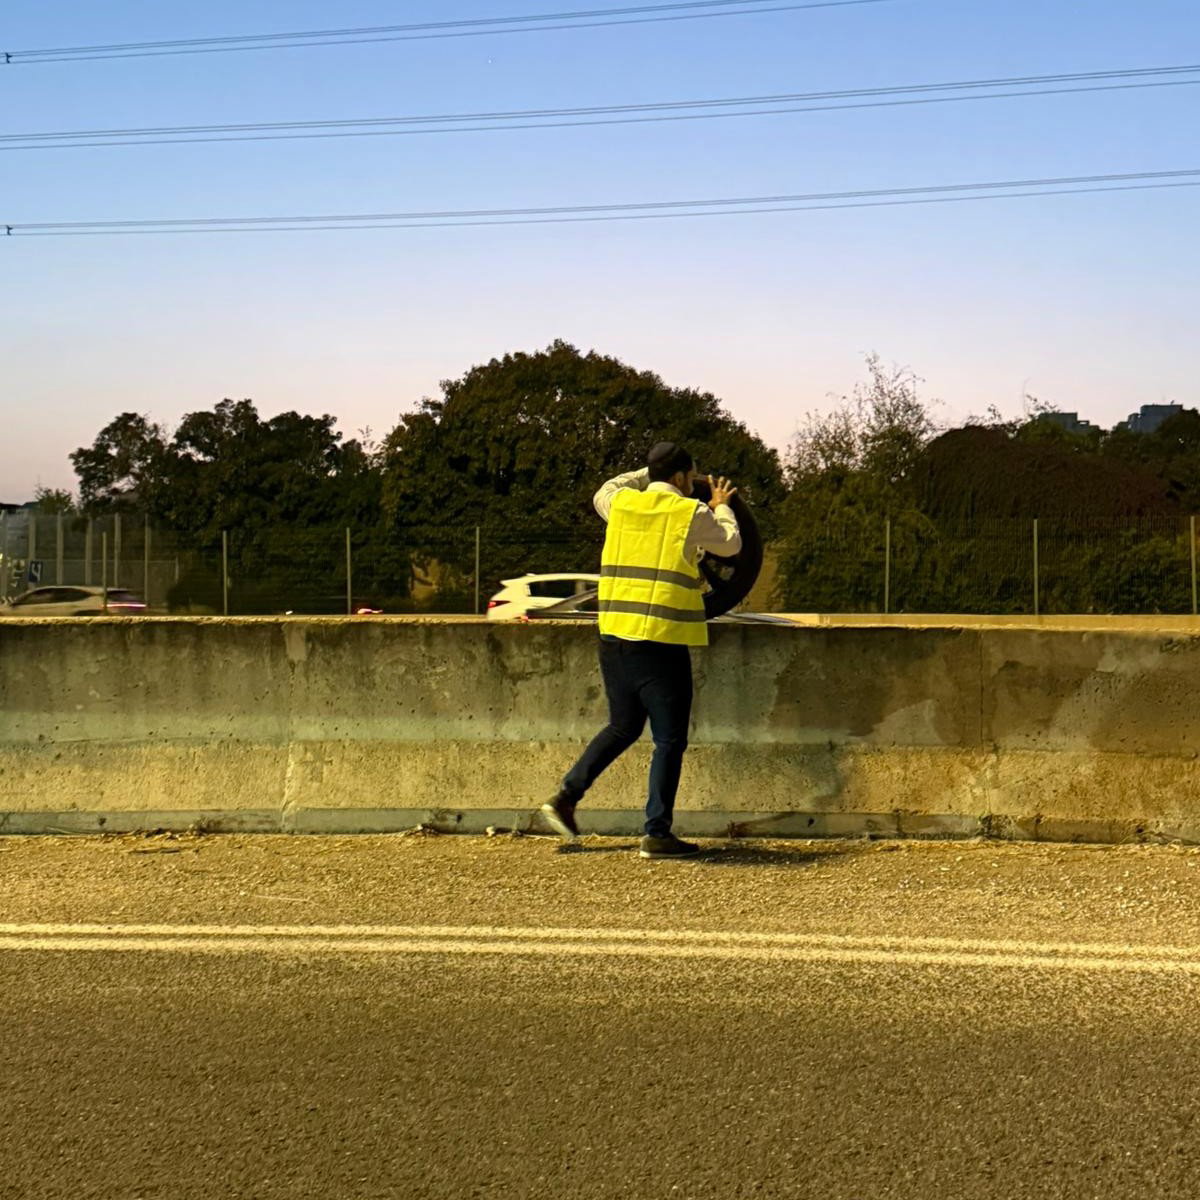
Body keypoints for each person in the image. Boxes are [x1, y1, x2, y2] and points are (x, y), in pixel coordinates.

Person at [542, 441, 741, 859]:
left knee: (623, 725)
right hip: (661, 639)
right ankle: (657, 832)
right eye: (692, 476)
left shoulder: (622, 504)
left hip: (614, 634)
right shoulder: (691, 512)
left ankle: (565, 797)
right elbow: (732, 545)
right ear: (685, 478)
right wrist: (720, 502)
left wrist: (647, 474)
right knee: (669, 740)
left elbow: (605, 488)